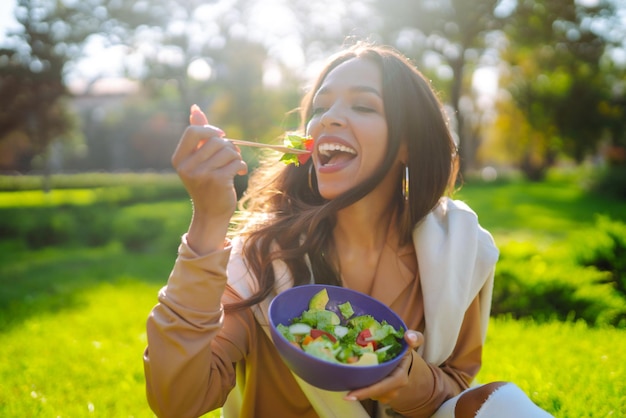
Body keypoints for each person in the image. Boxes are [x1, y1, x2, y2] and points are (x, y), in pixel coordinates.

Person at [143, 42, 553, 418]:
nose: (329, 119)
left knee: (500, 404)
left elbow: (457, 390)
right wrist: (208, 222)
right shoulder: (260, 257)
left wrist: (408, 379)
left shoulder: (458, 246)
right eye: (320, 108)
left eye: (364, 107)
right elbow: (177, 400)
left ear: (407, 142)